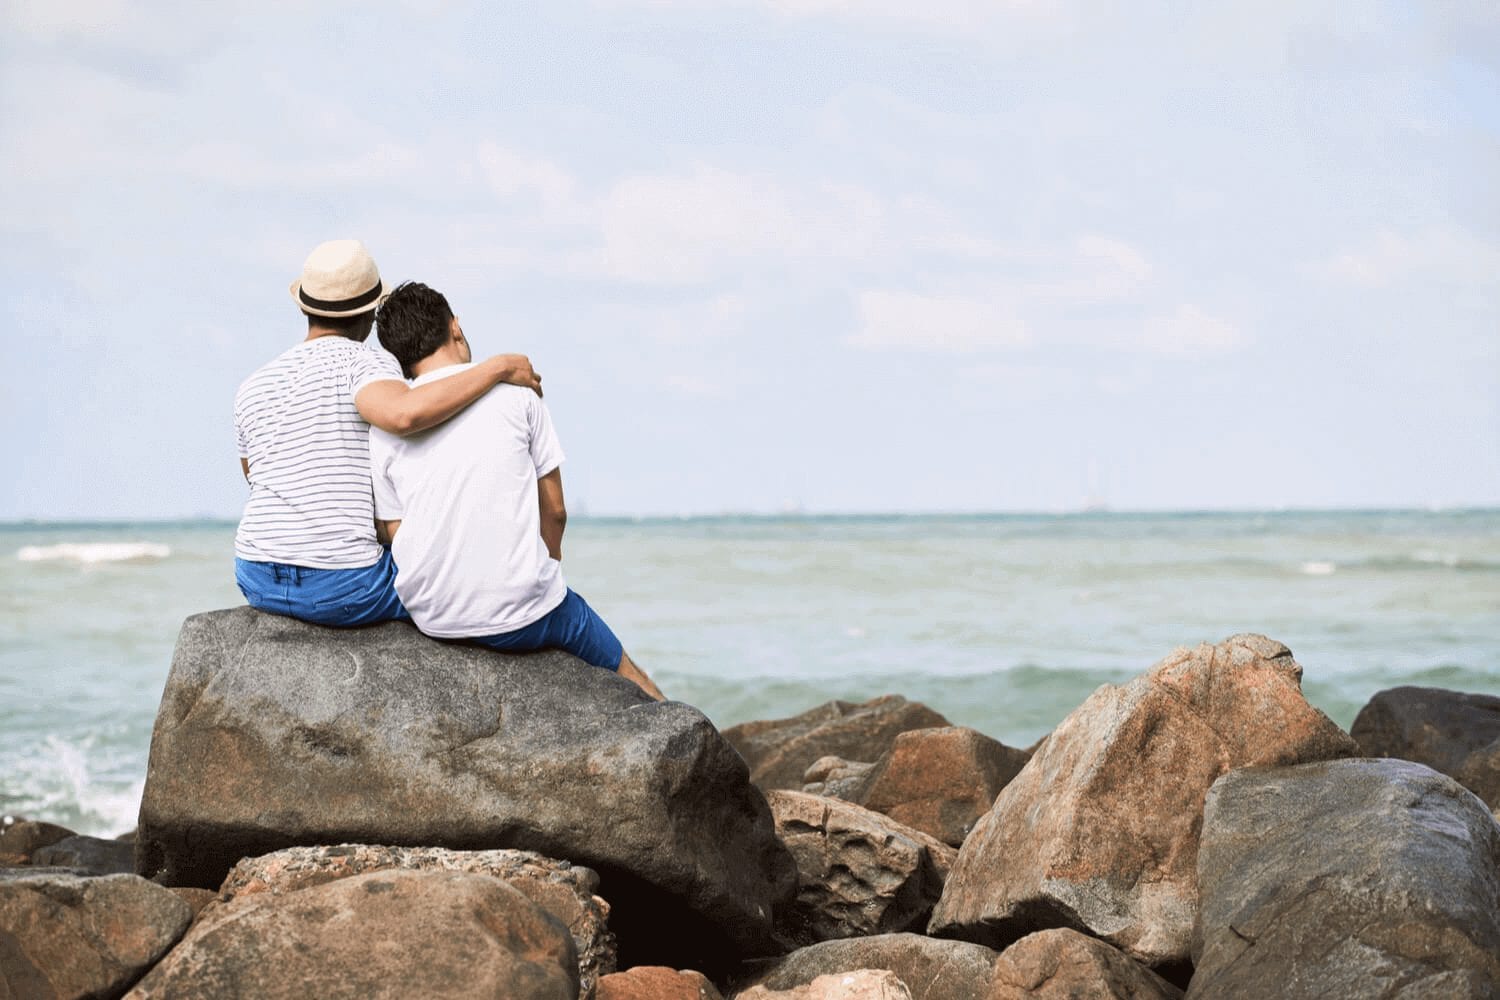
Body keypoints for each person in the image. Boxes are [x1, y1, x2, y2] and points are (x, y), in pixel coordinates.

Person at [368, 280, 665, 700]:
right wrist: (540, 573)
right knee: (624, 669)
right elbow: (556, 510)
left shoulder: (385, 426)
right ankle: (673, 722)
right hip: (526, 614)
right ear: (455, 327)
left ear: (400, 358)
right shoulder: (518, 398)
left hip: (434, 619)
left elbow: (395, 530)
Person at [234, 239, 541, 626]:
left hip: (255, 574)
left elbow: (255, 475)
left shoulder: (254, 384)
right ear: (370, 315)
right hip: (343, 583)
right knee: (453, 588)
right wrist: (497, 368)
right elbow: (403, 414)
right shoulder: (365, 362)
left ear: (304, 307)